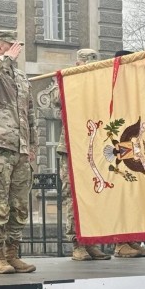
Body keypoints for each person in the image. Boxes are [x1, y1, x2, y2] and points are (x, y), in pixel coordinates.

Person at [0, 30, 38, 274]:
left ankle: (12, 253)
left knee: (19, 206)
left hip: (20, 149)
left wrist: (32, 145)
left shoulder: (21, 78)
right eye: (11, 46)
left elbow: (29, 113)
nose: (17, 50)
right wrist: (6, 60)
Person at [56, 49, 111, 261]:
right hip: (71, 147)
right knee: (73, 197)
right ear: (79, 63)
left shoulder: (99, 87)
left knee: (93, 196)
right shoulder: (68, 79)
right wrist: (76, 80)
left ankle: (92, 242)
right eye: (87, 65)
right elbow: (56, 100)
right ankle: (76, 244)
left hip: (93, 148)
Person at [112, 49, 145, 258]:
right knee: (121, 196)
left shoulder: (133, 87)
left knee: (132, 196)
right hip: (117, 148)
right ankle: (120, 244)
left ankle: (130, 239)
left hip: (129, 145)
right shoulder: (112, 81)